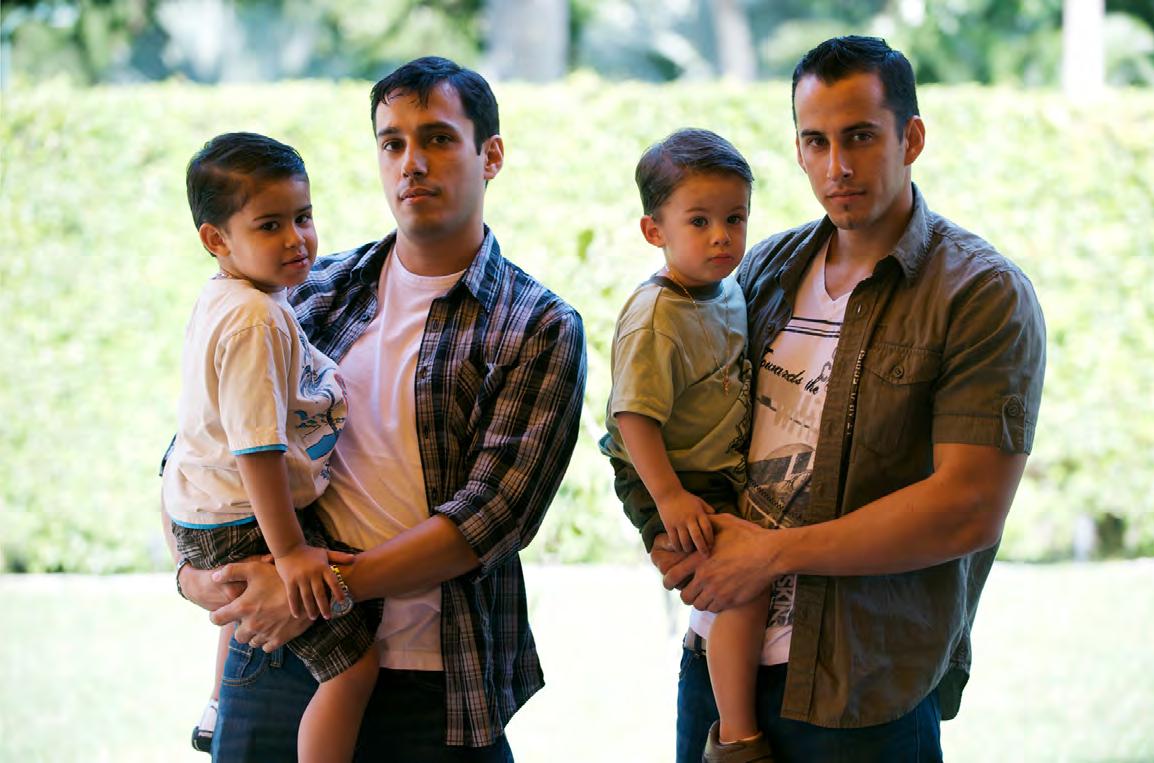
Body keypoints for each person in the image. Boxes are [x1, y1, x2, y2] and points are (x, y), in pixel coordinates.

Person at [166, 56, 586, 761]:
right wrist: (195, 576)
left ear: (491, 156)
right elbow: (201, 440)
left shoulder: (537, 325)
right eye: (392, 143)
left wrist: (311, 585)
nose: (411, 163)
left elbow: (492, 515)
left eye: (438, 139)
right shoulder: (308, 290)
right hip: (277, 659)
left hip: (439, 680)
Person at [652, 36, 1047, 762]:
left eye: (860, 136)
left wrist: (769, 556)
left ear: (911, 138)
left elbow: (968, 507)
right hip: (714, 667)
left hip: (861, 694)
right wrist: (664, 531)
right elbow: (660, 410)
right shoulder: (760, 270)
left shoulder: (980, 294)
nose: (837, 165)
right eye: (817, 141)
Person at [162, 132, 378, 763]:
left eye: (302, 217)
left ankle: (216, 707)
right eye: (269, 225)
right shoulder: (254, 319)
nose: (296, 239)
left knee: (248, 614)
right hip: (245, 520)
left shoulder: (231, 297)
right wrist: (291, 553)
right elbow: (256, 448)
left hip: (213, 513)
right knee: (353, 668)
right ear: (216, 239)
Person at [599, 129, 774, 763]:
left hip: (708, 471)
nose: (721, 236)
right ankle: (737, 736)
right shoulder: (658, 315)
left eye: (735, 219)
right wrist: (669, 498)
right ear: (656, 231)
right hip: (667, 474)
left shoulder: (728, 289)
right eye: (699, 222)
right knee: (743, 587)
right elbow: (633, 417)